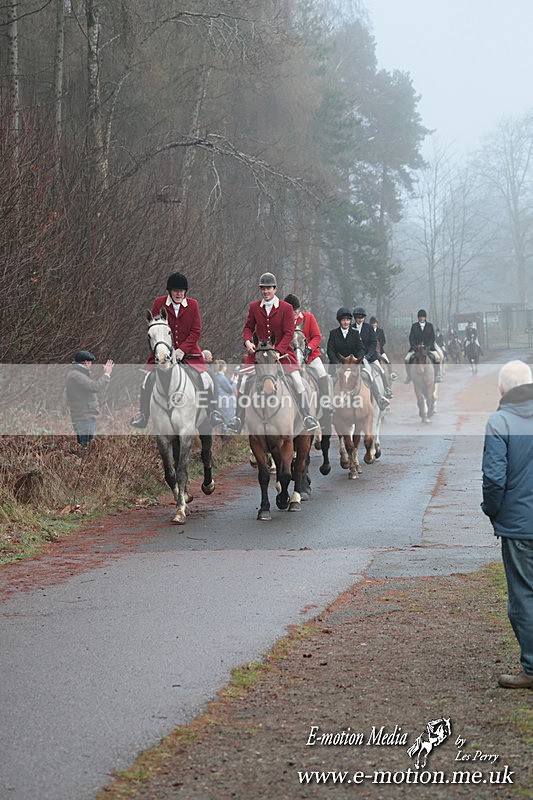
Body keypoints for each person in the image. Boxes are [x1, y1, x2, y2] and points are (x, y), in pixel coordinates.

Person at [481, 359, 533, 689]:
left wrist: (492, 511)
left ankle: (531, 668)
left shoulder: (499, 422)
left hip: (518, 525)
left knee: (523, 596)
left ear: (502, 389)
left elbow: (494, 480)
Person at [227, 272, 319, 434]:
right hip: (259, 355)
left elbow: (289, 333)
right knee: (243, 380)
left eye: (268, 288)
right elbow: (248, 328)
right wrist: (248, 341)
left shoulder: (286, 308)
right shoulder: (254, 307)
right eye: (263, 289)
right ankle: (238, 418)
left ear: (275, 289)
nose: (265, 291)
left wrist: (278, 351)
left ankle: (306, 416)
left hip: (282, 354)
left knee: (297, 380)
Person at [131, 272, 224, 428]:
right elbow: (154, 328)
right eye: (176, 290)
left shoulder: (193, 304)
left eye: (182, 291)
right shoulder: (159, 303)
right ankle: (144, 415)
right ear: (170, 291)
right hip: (162, 353)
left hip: (189, 354)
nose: (179, 293)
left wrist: (181, 350)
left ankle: (212, 412)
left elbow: (196, 331)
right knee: (147, 380)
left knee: (207, 378)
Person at [283, 293, 333, 414]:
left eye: (295, 310)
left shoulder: (308, 318)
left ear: (299, 309)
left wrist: (309, 348)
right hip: (290, 357)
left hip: (310, 355)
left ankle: (325, 401)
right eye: (290, 310)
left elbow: (317, 336)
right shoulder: (283, 321)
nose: (293, 313)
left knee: (321, 373)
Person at [66, 350, 113, 447]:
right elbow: (94, 387)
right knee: (86, 447)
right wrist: (107, 374)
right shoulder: (76, 375)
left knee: (85, 446)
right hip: (84, 416)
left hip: (84, 415)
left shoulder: (78, 374)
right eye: (90, 362)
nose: (91, 364)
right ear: (86, 362)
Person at [352, 307, 391, 408]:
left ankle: (384, 392)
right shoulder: (351, 328)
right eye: (358, 317)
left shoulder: (368, 328)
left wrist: (368, 355)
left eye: (362, 317)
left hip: (370, 356)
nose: (360, 319)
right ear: (355, 318)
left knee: (380, 370)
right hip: (356, 358)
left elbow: (373, 343)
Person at [404, 309, 443, 383]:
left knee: (437, 358)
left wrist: (428, 346)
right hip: (416, 348)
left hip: (428, 348)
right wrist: (414, 347)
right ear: (418, 318)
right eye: (420, 317)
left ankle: (437, 374)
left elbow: (432, 338)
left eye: (423, 317)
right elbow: (411, 338)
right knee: (407, 359)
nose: (421, 318)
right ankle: (409, 376)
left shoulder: (430, 326)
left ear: (425, 317)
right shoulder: (414, 326)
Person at [369, 315, 398, 381]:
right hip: (371, 351)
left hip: (380, 351)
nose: (374, 324)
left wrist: (379, 345)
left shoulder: (380, 331)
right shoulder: (369, 332)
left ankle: (391, 374)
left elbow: (384, 341)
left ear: (377, 323)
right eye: (372, 323)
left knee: (387, 360)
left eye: (375, 323)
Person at [214, 359, 237, 434]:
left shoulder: (217, 376)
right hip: (225, 402)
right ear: (223, 367)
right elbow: (230, 389)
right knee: (227, 419)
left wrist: (231, 381)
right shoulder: (221, 377)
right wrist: (235, 382)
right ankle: (226, 436)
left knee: (223, 419)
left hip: (221, 400)